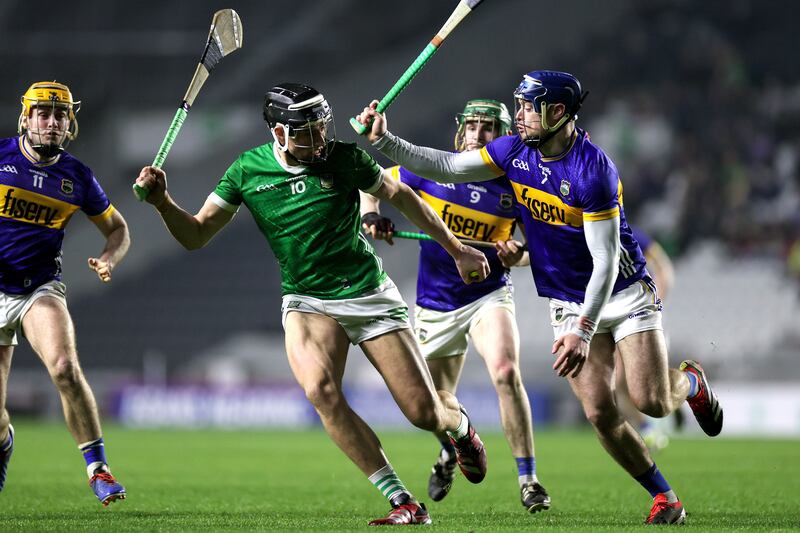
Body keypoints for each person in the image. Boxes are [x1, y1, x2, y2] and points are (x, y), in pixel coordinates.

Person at [356, 70, 724, 525]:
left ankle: (690, 382)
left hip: (622, 291)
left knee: (649, 399)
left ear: (559, 112)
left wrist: (584, 332)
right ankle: (665, 497)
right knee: (599, 411)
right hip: (568, 300)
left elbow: (605, 263)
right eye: (522, 105)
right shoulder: (515, 152)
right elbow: (447, 166)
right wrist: (386, 140)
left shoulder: (594, 171)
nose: (522, 116)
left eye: (531, 107)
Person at [134, 83, 490, 526]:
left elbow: (405, 199)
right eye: (306, 133)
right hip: (306, 298)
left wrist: (458, 251)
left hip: (367, 293)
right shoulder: (247, 171)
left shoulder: (346, 158)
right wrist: (164, 203)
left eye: (322, 127)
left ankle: (459, 428)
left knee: (423, 413)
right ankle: (403, 502)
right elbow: (196, 234)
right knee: (320, 392)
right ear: (279, 134)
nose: (319, 140)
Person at [360, 99, 550, 513]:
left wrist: (516, 254)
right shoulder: (433, 169)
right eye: (472, 126)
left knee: (506, 371)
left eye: (488, 128)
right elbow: (368, 184)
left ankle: (529, 480)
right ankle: (451, 451)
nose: (478, 134)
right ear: (460, 131)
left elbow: (536, 251)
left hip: (488, 294)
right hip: (435, 303)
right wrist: (371, 217)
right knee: (433, 405)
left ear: (502, 138)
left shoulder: (518, 186)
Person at [0, 81, 130, 505]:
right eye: (43, 113)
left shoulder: (77, 177)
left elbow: (118, 229)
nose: (52, 121)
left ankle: (98, 468)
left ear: (69, 122)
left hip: (39, 287)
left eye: (60, 115)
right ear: (26, 117)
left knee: (63, 366)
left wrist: (110, 257)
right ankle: (5, 443)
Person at [615, 226, 679, 453]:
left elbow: (663, 267)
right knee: (620, 383)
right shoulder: (590, 232)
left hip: (641, 313)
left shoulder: (633, 235)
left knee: (645, 383)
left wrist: (656, 302)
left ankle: (687, 387)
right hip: (615, 314)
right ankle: (648, 428)